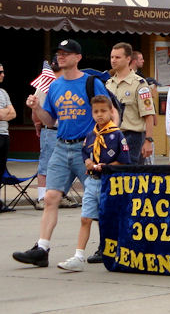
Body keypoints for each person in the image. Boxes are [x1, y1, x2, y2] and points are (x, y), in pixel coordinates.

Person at [13, 39, 116, 267]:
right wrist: (37, 109)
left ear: (78, 57)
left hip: (86, 148)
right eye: (59, 53)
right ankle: (42, 248)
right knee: (51, 197)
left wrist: (107, 139)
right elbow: (50, 120)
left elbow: (110, 111)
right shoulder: (55, 86)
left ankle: (107, 245)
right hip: (61, 145)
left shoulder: (91, 83)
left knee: (97, 198)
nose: (61, 56)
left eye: (66, 53)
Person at [57, 95, 130, 272]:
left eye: (103, 111)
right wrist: (88, 163)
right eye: (96, 112)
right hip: (92, 182)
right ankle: (78, 256)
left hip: (110, 184)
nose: (99, 115)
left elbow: (125, 160)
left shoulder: (117, 135)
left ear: (111, 112)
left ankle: (120, 252)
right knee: (85, 218)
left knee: (112, 220)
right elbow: (85, 153)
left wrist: (108, 166)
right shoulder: (91, 135)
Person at [32, 57, 79, 210]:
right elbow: (35, 108)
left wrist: (37, 124)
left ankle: (60, 194)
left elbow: (34, 111)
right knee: (46, 165)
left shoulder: (66, 83)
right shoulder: (47, 84)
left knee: (69, 165)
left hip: (66, 130)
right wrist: (39, 124)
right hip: (52, 130)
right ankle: (41, 198)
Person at [106, 42, 155, 165]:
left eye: (118, 57)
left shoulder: (139, 83)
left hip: (133, 137)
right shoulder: (108, 84)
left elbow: (148, 114)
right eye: (112, 57)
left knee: (132, 176)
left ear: (128, 59)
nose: (113, 60)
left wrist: (148, 140)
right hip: (112, 135)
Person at [0, 62, 16, 212]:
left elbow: (13, 113)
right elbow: (5, 113)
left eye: (3, 71)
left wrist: (4, 113)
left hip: (4, 134)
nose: (3, 75)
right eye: (0, 72)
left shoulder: (3, 92)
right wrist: (5, 113)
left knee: (1, 169)